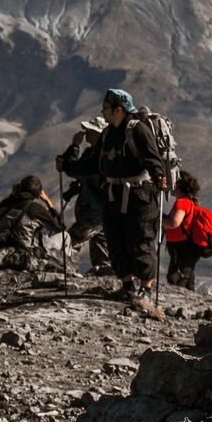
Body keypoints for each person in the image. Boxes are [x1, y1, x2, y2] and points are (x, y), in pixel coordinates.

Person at [92, 88, 167, 306]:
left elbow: (153, 159)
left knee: (140, 240)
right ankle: (127, 286)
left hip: (139, 195)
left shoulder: (138, 130)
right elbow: (94, 163)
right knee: (115, 240)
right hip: (114, 194)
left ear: (118, 109)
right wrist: (68, 164)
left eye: (106, 108)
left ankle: (146, 288)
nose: (102, 112)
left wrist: (159, 176)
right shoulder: (108, 133)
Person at [55, 118, 112, 275]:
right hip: (99, 210)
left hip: (94, 212)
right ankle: (105, 275)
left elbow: (74, 169)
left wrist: (74, 146)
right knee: (100, 245)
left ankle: (62, 269)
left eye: (90, 131)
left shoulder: (99, 157)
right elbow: (76, 171)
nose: (86, 133)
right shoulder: (94, 153)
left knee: (71, 240)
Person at [0, 174, 65, 266]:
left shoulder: (3, 203)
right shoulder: (35, 208)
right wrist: (48, 202)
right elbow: (59, 227)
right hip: (23, 254)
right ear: (38, 193)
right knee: (65, 236)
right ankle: (67, 268)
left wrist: (12, 195)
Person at [163, 173, 207, 289]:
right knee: (187, 279)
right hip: (189, 246)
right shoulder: (190, 202)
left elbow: (174, 223)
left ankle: (178, 304)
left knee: (177, 279)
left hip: (181, 246)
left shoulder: (181, 202)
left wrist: (158, 220)